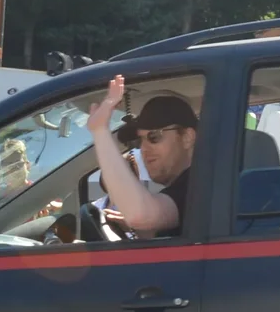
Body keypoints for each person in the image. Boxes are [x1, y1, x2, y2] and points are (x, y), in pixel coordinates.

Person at [81, 77, 195, 236]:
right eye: (139, 140)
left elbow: (140, 215)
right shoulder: (184, 188)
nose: (143, 149)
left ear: (187, 137)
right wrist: (136, 229)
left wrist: (100, 130)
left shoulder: (198, 184)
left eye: (154, 137)